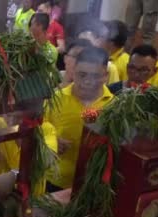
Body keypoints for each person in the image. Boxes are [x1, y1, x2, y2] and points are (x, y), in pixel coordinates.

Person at [44, 47, 115, 192]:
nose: (88, 81)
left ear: (106, 76)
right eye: (82, 75)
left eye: (96, 76)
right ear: (73, 71)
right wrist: (51, 140)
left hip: (92, 185)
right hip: (55, 179)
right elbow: (38, 129)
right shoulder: (56, 99)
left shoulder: (114, 106)